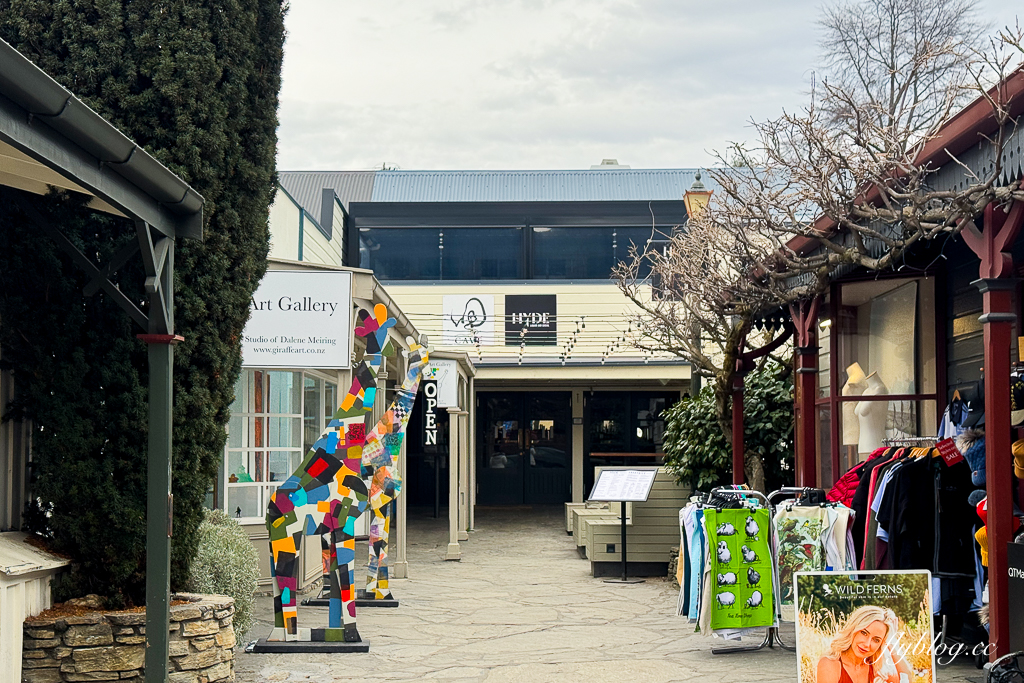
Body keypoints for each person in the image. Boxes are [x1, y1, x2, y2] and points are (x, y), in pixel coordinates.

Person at [816, 606, 912, 683]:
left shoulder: (876, 667)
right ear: (853, 629)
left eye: (876, 640)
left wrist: (892, 643)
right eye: (864, 633)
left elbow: (906, 679)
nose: (867, 644)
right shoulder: (830, 664)